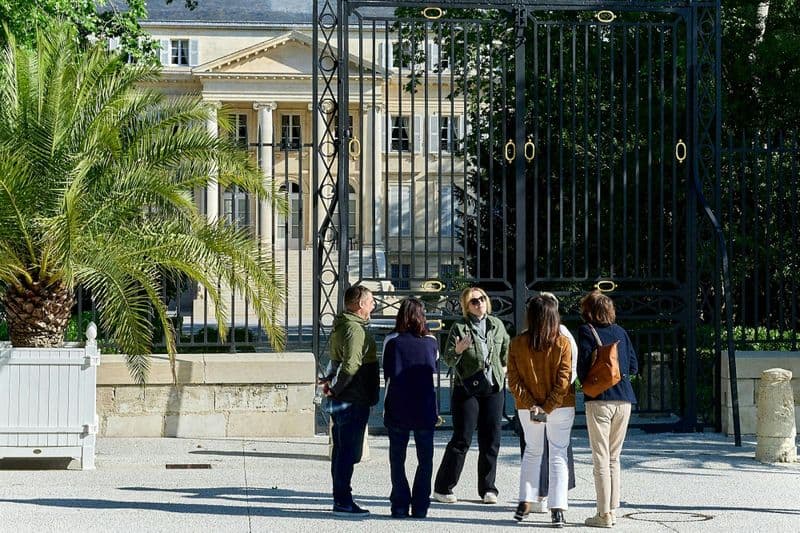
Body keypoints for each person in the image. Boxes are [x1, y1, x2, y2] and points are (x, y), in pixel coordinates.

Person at [433, 286, 510, 505]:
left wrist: (502, 369)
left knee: (491, 438)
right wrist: (457, 351)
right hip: (467, 389)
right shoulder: (459, 327)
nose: (480, 303)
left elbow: (506, 349)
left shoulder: (497, 325)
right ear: (467, 306)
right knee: (462, 439)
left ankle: (488, 488)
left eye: (483, 299)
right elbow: (448, 359)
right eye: (474, 301)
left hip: (493, 388)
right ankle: (443, 487)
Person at [507, 295, 575, 528]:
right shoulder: (563, 343)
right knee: (558, 455)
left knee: (532, 453)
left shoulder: (516, 344)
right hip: (560, 406)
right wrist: (547, 407)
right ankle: (557, 509)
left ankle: (524, 502)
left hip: (528, 409)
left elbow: (513, 381)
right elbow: (564, 380)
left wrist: (532, 405)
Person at [577, 290, 639, 528]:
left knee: (600, 458)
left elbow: (582, 366)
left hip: (600, 399)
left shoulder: (586, 331)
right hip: (624, 400)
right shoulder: (621, 332)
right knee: (614, 458)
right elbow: (633, 366)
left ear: (589, 311)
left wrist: (587, 381)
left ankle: (603, 515)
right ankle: (612, 509)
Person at [321, 285, 379, 516]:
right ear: (360, 304)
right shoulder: (354, 329)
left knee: (342, 449)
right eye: (371, 301)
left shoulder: (343, 325)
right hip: (352, 397)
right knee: (348, 452)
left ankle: (340, 498)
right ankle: (343, 500)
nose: (374, 305)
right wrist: (337, 390)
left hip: (346, 397)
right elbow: (351, 365)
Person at [382, 298, 439, 519]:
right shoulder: (431, 341)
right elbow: (434, 365)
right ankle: (421, 505)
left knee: (397, 458)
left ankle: (399, 504)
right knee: (425, 459)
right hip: (424, 406)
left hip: (398, 404)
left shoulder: (392, 340)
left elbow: (387, 371)